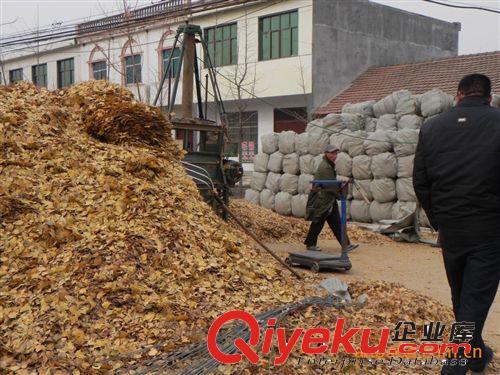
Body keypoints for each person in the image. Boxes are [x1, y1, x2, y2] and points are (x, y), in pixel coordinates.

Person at [413, 74, 500, 375]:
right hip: (489, 230)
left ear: (458, 95)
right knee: (473, 302)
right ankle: (454, 367)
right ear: (489, 97)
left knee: (463, 299)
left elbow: (421, 182)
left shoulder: (432, 127)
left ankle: (477, 356)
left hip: (451, 231)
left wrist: (439, 220)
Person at [304, 144, 357, 252]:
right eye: (332, 153)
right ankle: (310, 244)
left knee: (336, 222)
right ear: (326, 153)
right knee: (318, 222)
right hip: (322, 199)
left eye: (336, 153)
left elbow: (332, 183)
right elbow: (330, 185)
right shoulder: (325, 167)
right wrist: (340, 193)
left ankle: (346, 244)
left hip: (328, 198)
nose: (334, 155)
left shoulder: (329, 165)